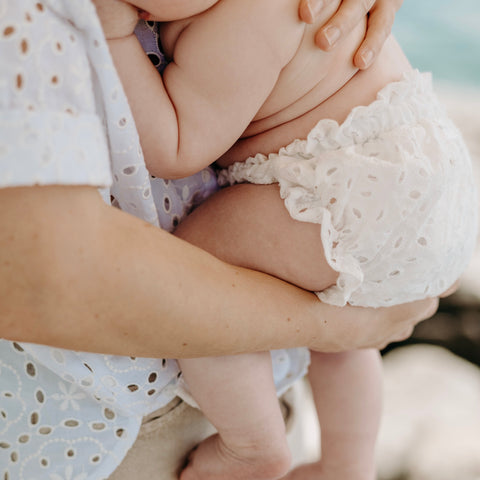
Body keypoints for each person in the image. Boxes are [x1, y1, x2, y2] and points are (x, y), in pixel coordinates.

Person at [0, 1, 442, 480]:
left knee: (202, 251)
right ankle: (347, 463)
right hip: (406, 177)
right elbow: (44, 276)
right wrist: (329, 327)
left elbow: (175, 148)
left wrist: (114, 38)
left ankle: (253, 444)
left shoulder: (244, 21)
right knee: (341, 309)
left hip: (355, 190)